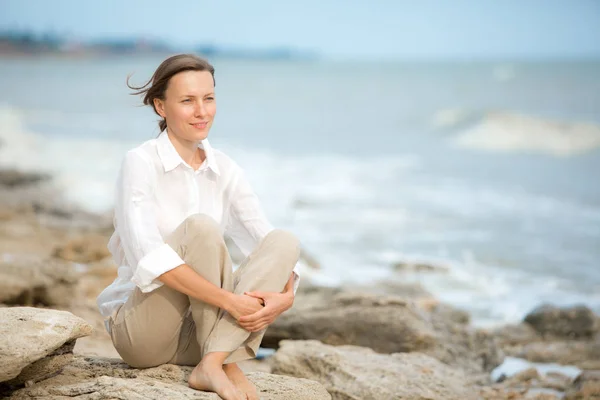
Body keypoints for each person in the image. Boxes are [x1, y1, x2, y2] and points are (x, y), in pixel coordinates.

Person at [96, 53, 301, 400]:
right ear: (161, 107)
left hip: (202, 338)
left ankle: (215, 361)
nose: (202, 111)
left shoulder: (226, 168)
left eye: (208, 98)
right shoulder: (140, 162)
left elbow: (265, 243)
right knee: (201, 230)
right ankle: (226, 364)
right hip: (146, 334)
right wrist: (230, 302)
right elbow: (147, 257)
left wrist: (286, 298)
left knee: (284, 241)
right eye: (187, 101)